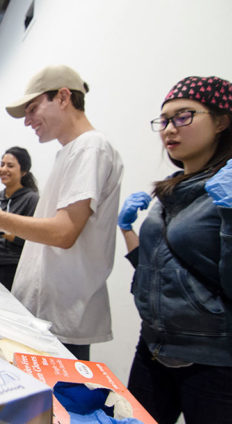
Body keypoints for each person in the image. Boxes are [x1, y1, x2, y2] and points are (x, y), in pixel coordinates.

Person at [0, 65, 123, 360]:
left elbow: (63, 233)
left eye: (33, 109)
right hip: (44, 310)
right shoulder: (71, 151)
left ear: (62, 97)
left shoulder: (91, 148)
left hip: (63, 315)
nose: (28, 121)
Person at [118, 75, 232, 423]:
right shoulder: (173, 189)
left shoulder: (226, 189)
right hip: (153, 345)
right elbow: (157, 268)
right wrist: (127, 230)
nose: (169, 129)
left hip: (211, 359)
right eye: (164, 120)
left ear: (222, 121)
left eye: (184, 116)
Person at [0, 147, 39, 291]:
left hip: (9, 266)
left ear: (24, 171)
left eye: (10, 166)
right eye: (2, 164)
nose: (4, 169)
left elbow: (31, 239)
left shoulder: (31, 199)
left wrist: (0, 229)